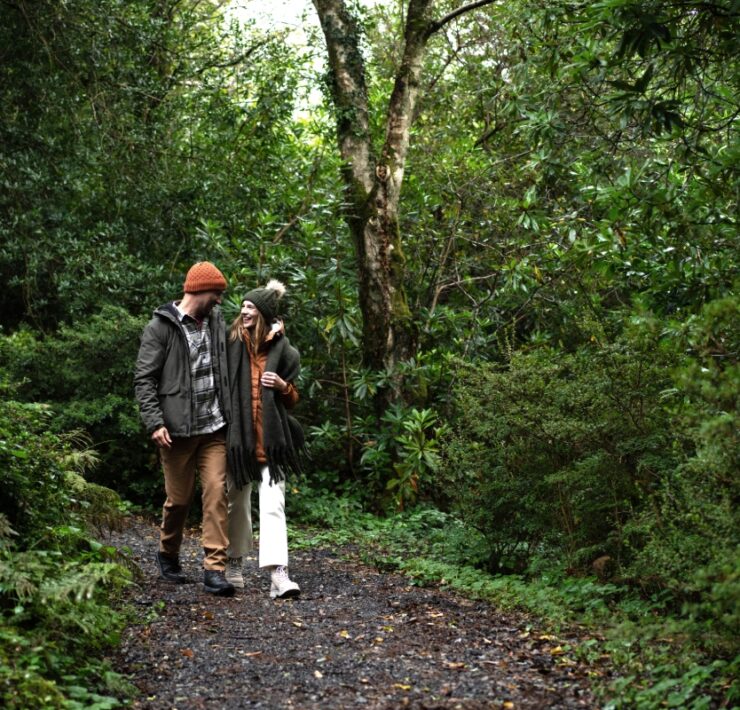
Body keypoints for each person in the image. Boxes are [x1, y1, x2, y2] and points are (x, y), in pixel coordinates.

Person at [134, 261, 235, 597]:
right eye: (216, 293)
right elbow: (144, 379)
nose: (219, 300)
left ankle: (214, 570)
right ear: (199, 290)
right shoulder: (161, 327)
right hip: (176, 432)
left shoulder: (216, 321)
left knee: (216, 492)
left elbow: (242, 343)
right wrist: (155, 422)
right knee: (179, 500)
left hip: (214, 428)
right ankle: (167, 552)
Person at [225, 279, 305, 599]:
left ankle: (278, 575)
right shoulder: (231, 343)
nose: (244, 311)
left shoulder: (284, 350)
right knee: (236, 504)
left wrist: (284, 387)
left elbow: (293, 400)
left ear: (264, 314)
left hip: (272, 441)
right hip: (239, 441)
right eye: (242, 307)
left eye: (250, 307)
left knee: (273, 505)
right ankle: (233, 563)